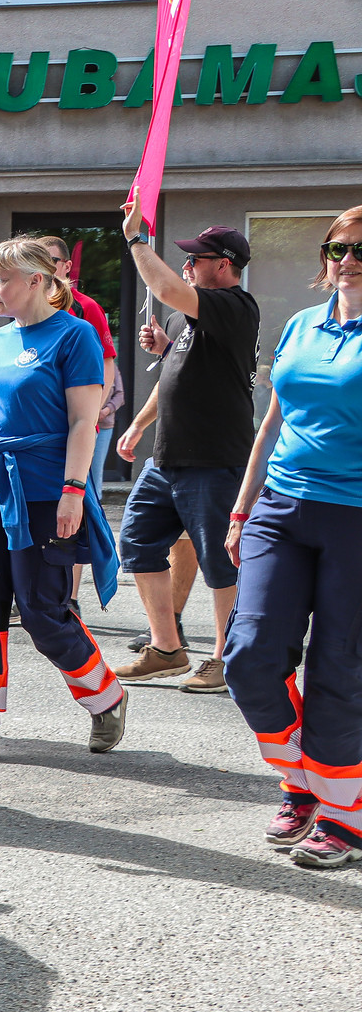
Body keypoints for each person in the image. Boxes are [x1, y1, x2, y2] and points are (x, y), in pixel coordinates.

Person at [223, 206, 362, 868]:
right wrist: (242, 509)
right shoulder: (302, 325)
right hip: (281, 505)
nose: (348, 260)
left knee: (339, 667)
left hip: (355, 517)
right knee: (248, 654)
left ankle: (344, 815)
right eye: (338, 248)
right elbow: (273, 421)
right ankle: (303, 779)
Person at [0, 239, 129, 760]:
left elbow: (83, 422)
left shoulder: (75, 336)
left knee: (40, 611)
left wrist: (74, 491)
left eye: (1, 280)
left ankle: (106, 696)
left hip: (45, 491)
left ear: (37, 280)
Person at [110, 199, 259, 695]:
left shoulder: (235, 307)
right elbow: (174, 375)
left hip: (215, 460)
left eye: (196, 258)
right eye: (187, 257)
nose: (188, 264)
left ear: (225, 265)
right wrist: (138, 425)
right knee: (137, 544)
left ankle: (224, 659)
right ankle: (166, 649)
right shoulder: (183, 319)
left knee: (220, 564)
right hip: (167, 459)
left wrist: (135, 238)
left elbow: (167, 287)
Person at [36, 235, 123, 491]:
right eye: (38, 261)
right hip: (42, 424)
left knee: (83, 491)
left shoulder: (86, 307)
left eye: (51, 261)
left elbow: (107, 363)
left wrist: (91, 416)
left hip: (77, 422)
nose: (45, 267)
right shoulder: (29, 306)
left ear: (66, 266)